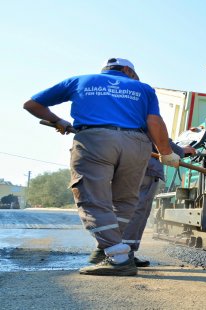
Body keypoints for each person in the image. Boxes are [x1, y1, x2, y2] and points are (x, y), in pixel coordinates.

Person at [23, 58, 180, 276]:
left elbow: (32, 104)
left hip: (95, 141)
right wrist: (167, 153)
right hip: (136, 144)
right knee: (125, 200)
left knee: (93, 198)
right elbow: (154, 121)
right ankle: (110, 249)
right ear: (127, 70)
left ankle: (117, 257)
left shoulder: (80, 81)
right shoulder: (143, 88)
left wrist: (59, 121)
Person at [88, 141, 195, 267]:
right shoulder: (143, 121)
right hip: (145, 168)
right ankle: (119, 254)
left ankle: (115, 251)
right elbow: (157, 136)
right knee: (137, 212)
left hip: (128, 166)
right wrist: (181, 150)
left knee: (124, 209)